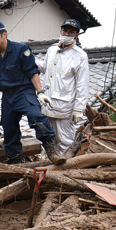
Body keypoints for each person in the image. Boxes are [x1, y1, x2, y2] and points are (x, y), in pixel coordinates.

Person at [0, 21, 66, 165]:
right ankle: (15, 159)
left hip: (24, 91)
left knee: (36, 116)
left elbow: (32, 72)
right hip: (7, 96)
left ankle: (51, 148)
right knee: (9, 129)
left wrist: (40, 92)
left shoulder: (21, 49)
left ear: (4, 34)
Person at [37, 19, 90, 154]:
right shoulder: (52, 49)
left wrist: (79, 109)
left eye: (71, 32)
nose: (66, 34)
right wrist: (29, 60)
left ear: (77, 35)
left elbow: (82, 85)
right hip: (46, 105)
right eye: (65, 31)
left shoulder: (80, 56)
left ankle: (64, 172)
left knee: (64, 142)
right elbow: (45, 68)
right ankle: (46, 171)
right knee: (46, 142)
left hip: (64, 109)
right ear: (60, 31)